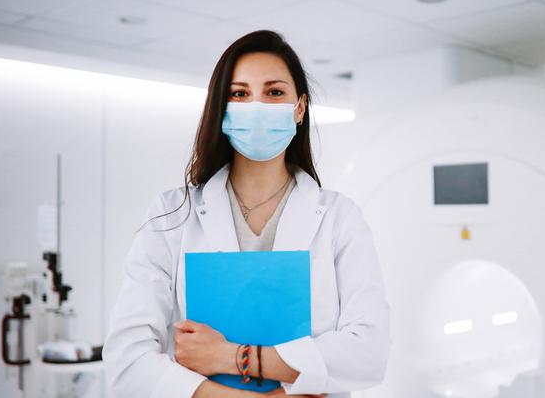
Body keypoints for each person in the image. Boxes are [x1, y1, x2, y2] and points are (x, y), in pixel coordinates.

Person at [102, 30, 391, 398]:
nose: (257, 106)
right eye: (240, 94)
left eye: (274, 93)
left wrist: (230, 356)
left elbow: (369, 354)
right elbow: (127, 361)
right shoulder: (171, 215)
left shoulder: (339, 218)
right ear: (221, 109)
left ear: (299, 108)